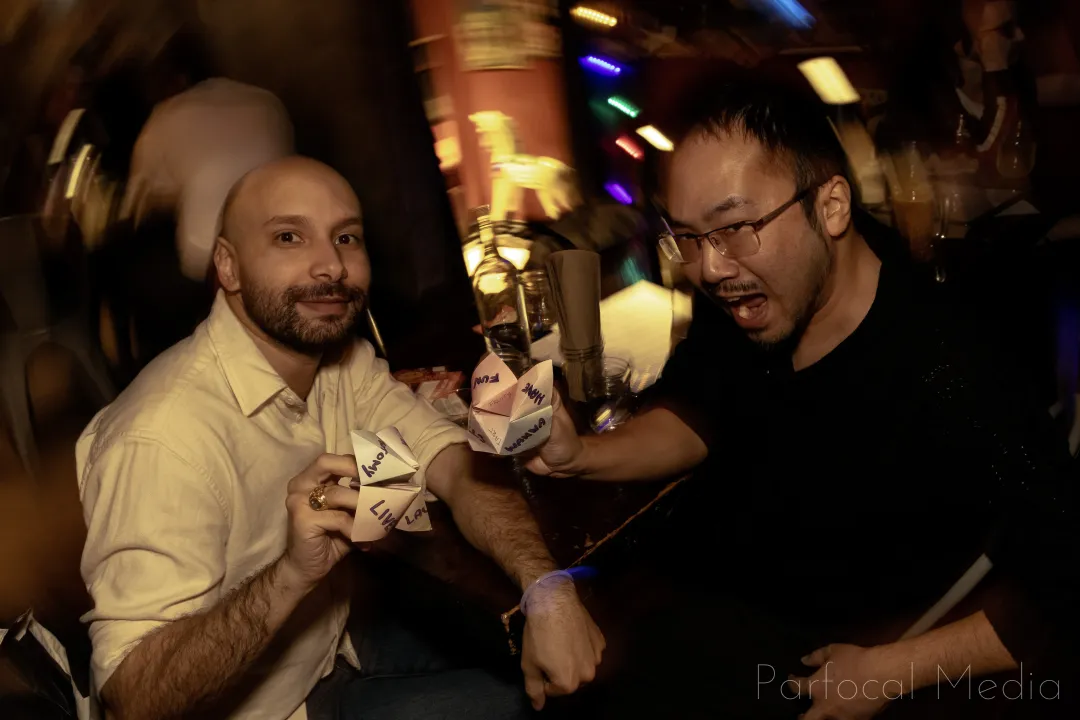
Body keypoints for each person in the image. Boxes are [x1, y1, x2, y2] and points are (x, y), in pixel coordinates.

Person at [528, 77, 1077, 719]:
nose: (710, 268)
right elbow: (699, 403)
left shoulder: (948, 363)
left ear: (832, 206)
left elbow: (1064, 582)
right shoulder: (754, 289)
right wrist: (581, 456)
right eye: (690, 237)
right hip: (713, 594)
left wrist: (886, 673)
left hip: (818, 655)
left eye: (734, 227)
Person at [77, 156, 604, 720]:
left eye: (346, 237)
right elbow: (132, 697)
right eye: (288, 236)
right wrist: (291, 575)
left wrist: (548, 590)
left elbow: (451, 462)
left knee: (564, 660)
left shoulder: (339, 359)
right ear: (228, 266)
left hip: (334, 642)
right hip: (270, 709)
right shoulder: (160, 438)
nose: (331, 264)